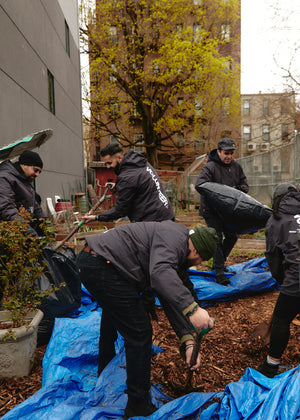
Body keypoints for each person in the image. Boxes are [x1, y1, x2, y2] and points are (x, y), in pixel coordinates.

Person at [76, 220, 218, 419]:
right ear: (196, 252)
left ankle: (104, 370)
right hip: (102, 265)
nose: (199, 264)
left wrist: (188, 340)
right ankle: (138, 404)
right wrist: (193, 309)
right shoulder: (174, 241)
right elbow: (160, 274)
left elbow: (172, 293)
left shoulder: (177, 240)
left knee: (114, 312)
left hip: (96, 262)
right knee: (140, 332)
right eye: (201, 259)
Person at [257, 183, 300, 378]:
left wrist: (282, 280)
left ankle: (270, 366)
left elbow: (272, 256)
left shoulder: (276, 220)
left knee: (281, 320)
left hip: (296, 278)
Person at [195, 137, 249, 286]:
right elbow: (200, 185)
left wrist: (236, 191)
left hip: (227, 211)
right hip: (211, 210)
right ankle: (219, 272)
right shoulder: (210, 167)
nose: (229, 156)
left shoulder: (236, 167)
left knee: (232, 237)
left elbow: (244, 185)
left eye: (231, 153)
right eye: (226, 153)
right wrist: (219, 193)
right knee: (217, 239)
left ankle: (218, 264)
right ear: (218, 151)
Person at [82, 143, 174, 224]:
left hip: (155, 221)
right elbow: (137, 185)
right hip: (165, 214)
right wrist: (118, 186)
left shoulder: (127, 177)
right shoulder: (138, 163)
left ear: (119, 157)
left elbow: (120, 211)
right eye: (106, 163)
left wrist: (96, 217)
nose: (108, 167)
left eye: (109, 163)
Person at [0, 150, 47, 236]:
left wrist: (45, 223)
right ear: (24, 164)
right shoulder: (4, 178)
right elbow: (6, 207)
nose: (37, 174)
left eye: (39, 172)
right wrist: (25, 228)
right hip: (9, 234)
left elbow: (35, 205)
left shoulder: (24, 180)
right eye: (35, 170)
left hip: (21, 229)